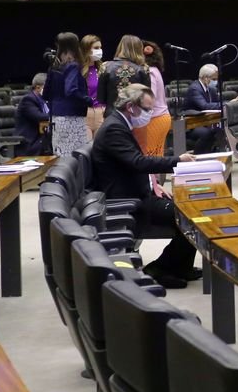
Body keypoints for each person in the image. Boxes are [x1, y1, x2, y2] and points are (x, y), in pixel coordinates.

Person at [92, 84, 197, 288]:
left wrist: (154, 183)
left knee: (190, 208)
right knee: (190, 216)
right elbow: (137, 162)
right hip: (128, 200)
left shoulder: (120, 123)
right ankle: (160, 269)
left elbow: (131, 162)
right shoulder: (114, 128)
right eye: (147, 109)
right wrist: (178, 161)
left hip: (138, 191)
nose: (150, 114)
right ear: (131, 107)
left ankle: (181, 267)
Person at [44, 32, 91, 156]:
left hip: (56, 118)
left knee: (61, 154)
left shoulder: (53, 67)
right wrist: (88, 100)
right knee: (74, 156)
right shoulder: (73, 66)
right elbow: (70, 90)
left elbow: (46, 94)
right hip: (72, 118)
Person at [132, 41, 172, 157]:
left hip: (155, 118)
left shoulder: (149, 71)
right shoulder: (155, 70)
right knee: (156, 156)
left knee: (149, 156)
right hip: (161, 117)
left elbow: (150, 97)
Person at [98, 34, 150, 115]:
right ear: (139, 49)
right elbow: (146, 100)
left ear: (120, 47)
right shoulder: (143, 69)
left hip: (111, 116)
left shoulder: (105, 66)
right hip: (134, 116)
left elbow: (101, 98)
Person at [184, 64, 224, 154]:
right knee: (207, 133)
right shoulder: (195, 89)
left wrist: (228, 103)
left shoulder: (211, 89)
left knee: (220, 129)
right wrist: (226, 104)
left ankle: (212, 154)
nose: (216, 82)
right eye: (214, 79)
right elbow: (204, 106)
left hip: (206, 122)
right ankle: (198, 156)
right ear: (205, 78)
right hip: (191, 126)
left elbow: (217, 104)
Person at [14, 72, 50, 156]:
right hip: (30, 142)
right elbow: (40, 117)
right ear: (38, 87)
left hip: (41, 139)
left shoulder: (44, 100)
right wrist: (57, 116)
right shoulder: (28, 100)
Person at [81, 34, 106, 138]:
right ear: (86, 49)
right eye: (96, 48)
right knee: (86, 146)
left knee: (101, 146)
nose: (99, 50)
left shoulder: (103, 68)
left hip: (102, 112)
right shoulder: (78, 70)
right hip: (85, 113)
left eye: (100, 48)